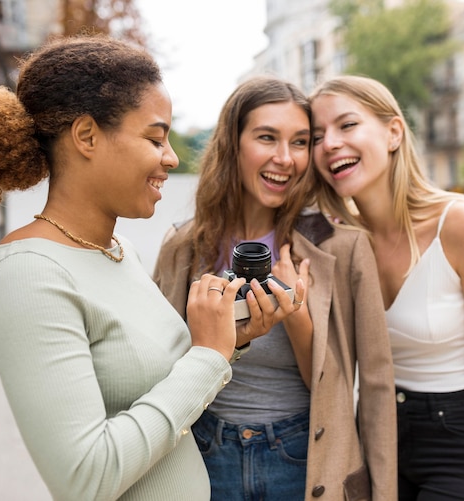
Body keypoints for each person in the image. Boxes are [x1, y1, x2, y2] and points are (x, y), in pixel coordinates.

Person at [0, 35, 256, 501]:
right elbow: (85, 478)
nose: (171, 158)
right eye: (154, 137)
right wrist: (208, 357)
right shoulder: (28, 275)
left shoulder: (117, 249)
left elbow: (152, 381)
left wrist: (229, 340)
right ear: (86, 136)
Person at [153, 76, 397, 501]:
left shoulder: (342, 247)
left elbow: (370, 387)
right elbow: (160, 370)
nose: (285, 158)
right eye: (267, 137)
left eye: (301, 142)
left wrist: (298, 315)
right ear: (234, 143)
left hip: (303, 459)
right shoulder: (183, 247)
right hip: (205, 457)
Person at [309, 74, 464, 501]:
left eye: (347, 125)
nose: (329, 143)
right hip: (379, 437)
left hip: (459, 442)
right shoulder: (342, 240)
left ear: (393, 132)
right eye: (316, 136)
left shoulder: (463, 225)